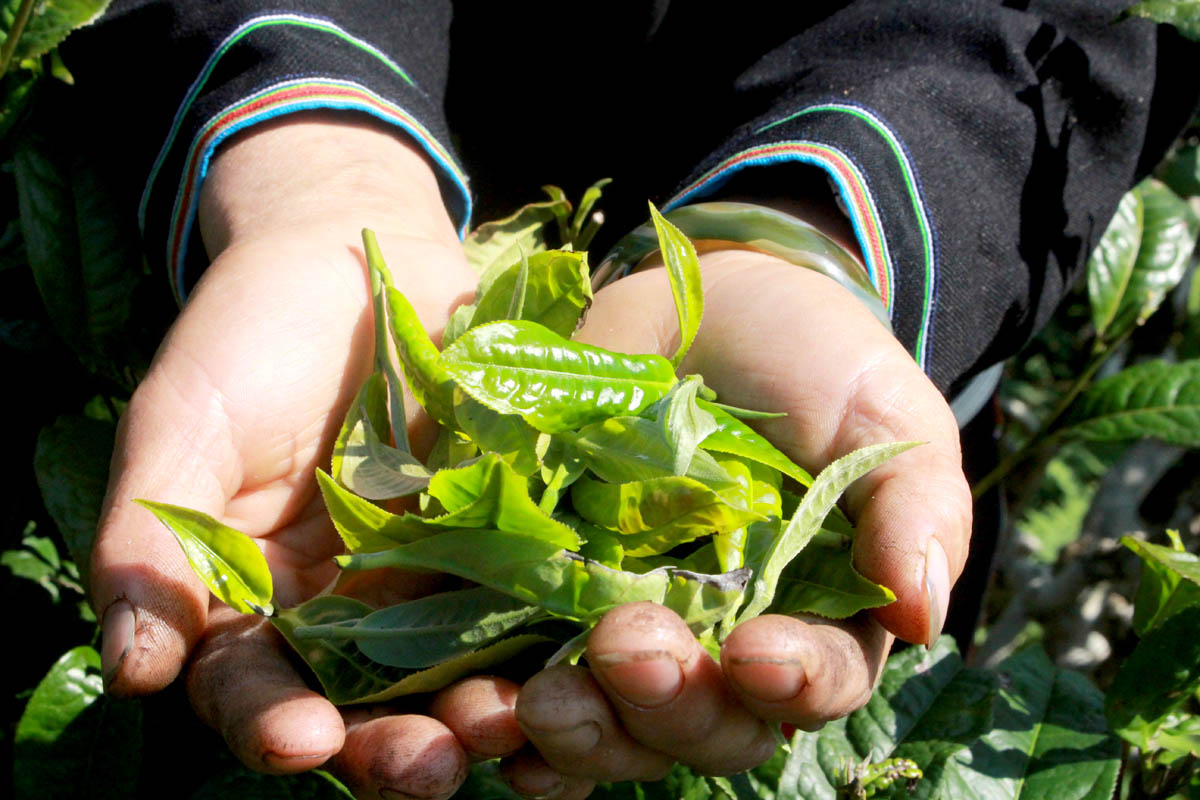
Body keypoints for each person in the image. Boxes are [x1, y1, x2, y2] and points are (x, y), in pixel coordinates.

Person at [60, 2, 1200, 798]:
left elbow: (1042, 26)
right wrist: (314, 160)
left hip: (863, 262)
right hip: (372, 179)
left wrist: (809, 230)